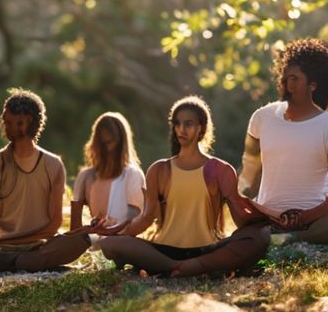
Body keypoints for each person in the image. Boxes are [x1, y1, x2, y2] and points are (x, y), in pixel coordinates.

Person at [99, 96, 270, 277]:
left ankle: (185, 266)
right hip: (163, 250)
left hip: (207, 249)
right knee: (109, 244)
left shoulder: (221, 170)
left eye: (188, 124)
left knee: (260, 236)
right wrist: (119, 233)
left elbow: (240, 219)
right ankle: (184, 267)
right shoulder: (159, 169)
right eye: (177, 124)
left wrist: (261, 216)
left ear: (201, 128)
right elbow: (146, 218)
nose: (181, 129)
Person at [0, 89, 110, 271]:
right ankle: (26, 261)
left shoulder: (53, 164)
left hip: (41, 246)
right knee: (18, 259)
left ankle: (27, 261)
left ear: (27, 123)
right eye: (4, 121)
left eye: (10, 122)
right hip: (1, 249)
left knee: (82, 240)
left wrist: (84, 230)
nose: (4, 127)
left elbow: (54, 223)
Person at [240, 38, 328, 243]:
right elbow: (247, 178)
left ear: (313, 85)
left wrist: (306, 216)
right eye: (285, 77)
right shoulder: (261, 117)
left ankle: (290, 239)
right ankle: (279, 236)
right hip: (267, 217)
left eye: (295, 79)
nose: (287, 84)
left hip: (316, 218)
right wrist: (254, 208)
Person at [72, 112, 145, 231]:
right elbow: (74, 228)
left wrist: (109, 232)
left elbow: (132, 224)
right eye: (103, 143)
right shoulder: (86, 176)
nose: (108, 148)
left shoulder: (132, 175)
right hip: (94, 239)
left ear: (122, 142)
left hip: (122, 239)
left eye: (111, 142)